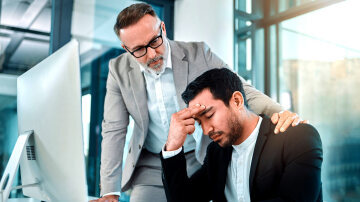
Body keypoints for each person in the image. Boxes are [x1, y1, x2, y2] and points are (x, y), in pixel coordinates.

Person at [94, 3, 306, 202]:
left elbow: (240, 89)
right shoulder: (117, 70)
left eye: (154, 41)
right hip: (152, 160)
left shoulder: (198, 54)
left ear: (163, 28)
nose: (152, 54)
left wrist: (280, 113)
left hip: (199, 153)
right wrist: (109, 191)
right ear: (125, 48)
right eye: (139, 49)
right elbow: (114, 129)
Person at [161, 68, 323, 202]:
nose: (205, 130)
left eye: (209, 116)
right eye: (199, 122)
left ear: (237, 101)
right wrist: (173, 145)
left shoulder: (297, 137)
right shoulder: (216, 153)